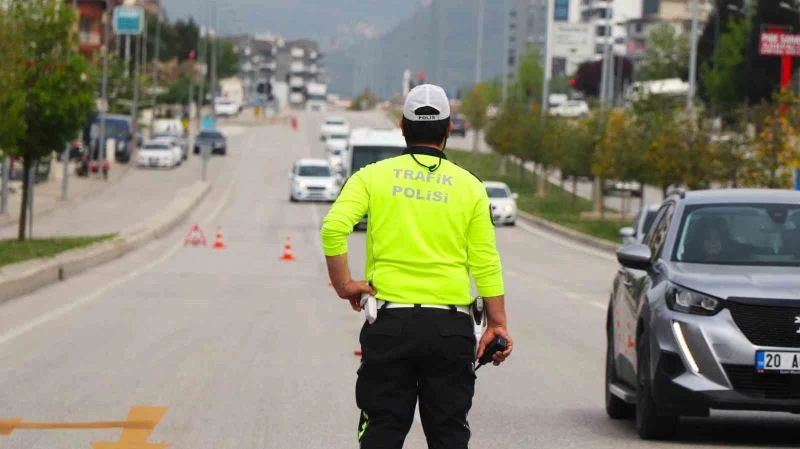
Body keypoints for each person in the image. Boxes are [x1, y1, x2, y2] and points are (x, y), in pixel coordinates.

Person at [320, 84, 513, 449]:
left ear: (403, 127)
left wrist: (345, 285)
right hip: (451, 329)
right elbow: (485, 262)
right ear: (449, 128)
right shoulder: (470, 188)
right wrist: (497, 324)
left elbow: (333, 228)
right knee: (449, 435)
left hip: (391, 326)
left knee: (383, 430)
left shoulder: (371, 176)